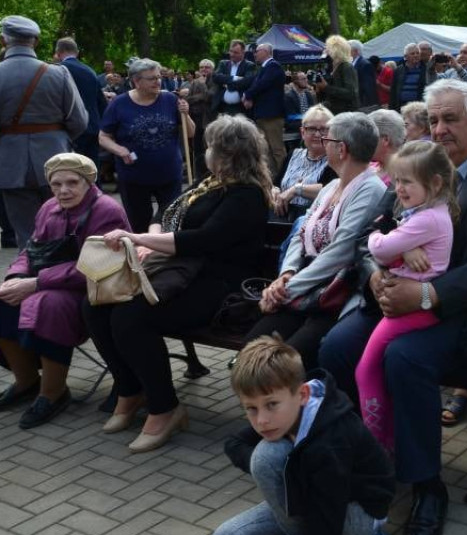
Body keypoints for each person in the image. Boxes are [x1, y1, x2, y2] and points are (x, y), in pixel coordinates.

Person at [317, 79, 467, 535]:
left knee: (405, 359)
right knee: (335, 348)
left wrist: (428, 294)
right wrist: (374, 274)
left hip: (466, 312)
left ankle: (426, 485)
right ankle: (369, 455)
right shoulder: (416, 166)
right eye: (433, 119)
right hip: (394, 300)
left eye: (450, 119)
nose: (438, 129)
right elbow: (366, 237)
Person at [86, 116, 271, 452]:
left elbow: (202, 240)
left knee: (132, 317)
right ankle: (130, 388)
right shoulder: (209, 182)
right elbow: (165, 212)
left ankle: (165, 407)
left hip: (219, 286)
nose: (207, 152)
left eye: (213, 146)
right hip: (178, 272)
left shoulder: (247, 195)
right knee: (96, 306)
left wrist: (137, 237)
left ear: (230, 153)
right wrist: (148, 241)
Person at [212, 336, 395, 535]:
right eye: (251, 408)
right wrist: (291, 471)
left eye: (271, 404)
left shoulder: (328, 445)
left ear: (302, 394)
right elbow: (234, 443)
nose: (261, 420)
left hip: (356, 514)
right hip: (315, 502)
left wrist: (287, 471)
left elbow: (326, 530)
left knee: (268, 456)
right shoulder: (284, 413)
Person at [0, 153, 130, 428]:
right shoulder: (49, 207)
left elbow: (98, 266)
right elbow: (31, 248)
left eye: (72, 182)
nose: (63, 190)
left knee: (49, 305)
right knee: (3, 299)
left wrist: (35, 282)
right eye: (56, 184)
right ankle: (27, 382)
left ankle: (54, 392)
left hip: (98, 289)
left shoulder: (107, 210)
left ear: (88, 182)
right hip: (52, 281)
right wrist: (15, 276)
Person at [249, 113, 387, 371]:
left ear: (341, 148)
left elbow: (341, 251)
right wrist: (286, 274)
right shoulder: (330, 186)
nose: (322, 142)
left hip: (335, 293)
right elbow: (302, 234)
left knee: (287, 363)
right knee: (253, 348)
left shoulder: (370, 189)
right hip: (305, 286)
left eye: (326, 138)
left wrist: (285, 290)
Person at [358, 142, 457, 450]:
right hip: (408, 305)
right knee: (371, 369)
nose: (399, 188)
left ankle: (376, 443)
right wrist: (405, 246)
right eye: (397, 180)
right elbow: (390, 257)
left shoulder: (428, 218)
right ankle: (386, 438)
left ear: (435, 183)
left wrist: (384, 239)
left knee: (365, 371)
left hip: (413, 308)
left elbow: (379, 248)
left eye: (407, 182)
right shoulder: (426, 213)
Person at [0, 16, 88, 249]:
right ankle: (61, 278)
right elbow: (79, 120)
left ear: (3, 40)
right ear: (36, 42)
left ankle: (28, 280)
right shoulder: (58, 74)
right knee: (63, 227)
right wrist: (59, 140)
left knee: (26, 234)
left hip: (10, 164)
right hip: (56, 160)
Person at [99, 58, 194, 234]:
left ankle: (168, 258)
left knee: (171, 221)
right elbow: (103, 137)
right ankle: (143, 257)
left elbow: (190, 133)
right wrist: (119, 150)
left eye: (158, 77)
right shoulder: (119, 104)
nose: (157, 81)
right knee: (139, 224)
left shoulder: (170, 99)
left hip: (169, 175)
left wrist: (186, 115)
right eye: (151, 78)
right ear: (136, 81)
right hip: (134, 177)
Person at [272, 105, 337, 221]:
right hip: (282, 218)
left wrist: (297, 190)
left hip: (312, 221)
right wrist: (274, 190)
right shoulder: (293, 154)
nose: (317, 134)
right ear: (302, 132)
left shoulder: (335, 160)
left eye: (323, 129)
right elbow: (276, 183)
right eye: (311, 129)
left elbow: (331, 189)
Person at [53, 37, 106, 165]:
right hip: (92, 127)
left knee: (72, 171)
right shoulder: (90, 71)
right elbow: (101, 102)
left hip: (70, 130)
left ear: (58, 53)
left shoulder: (57, 71)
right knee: (92, 169)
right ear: (76, 52)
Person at [244, 42, 287, 175]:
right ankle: (273, 178)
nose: (255, 54)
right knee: (266, 150)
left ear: (266, 52)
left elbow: (262, 84)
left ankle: (284, 176)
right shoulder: (264, 68)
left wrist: (247, 95)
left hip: (272, 115)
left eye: (257, 51)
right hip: (264, 114)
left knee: (277, 149)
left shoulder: (273, 66)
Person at [211, 39, 257, 116]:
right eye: (231, 51)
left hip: (240, 108)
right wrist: (235, 78)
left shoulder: (249, 65)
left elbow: (246, 82)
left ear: (243, 53)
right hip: (222, 107)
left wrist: (227, 83)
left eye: (235, 52)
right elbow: (216, 77)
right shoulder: (223, 63)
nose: (232, 54)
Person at [321, 36, 360, 115]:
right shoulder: (333, 67)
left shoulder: (346, 67)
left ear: (335, 49)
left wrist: (326, 87)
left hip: (346, 114)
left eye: (327, 48)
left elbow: (350, 93)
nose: (325, 51)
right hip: (336, 112)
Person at [367, 109, 406, 185]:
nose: (363, 142)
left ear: (385, 140)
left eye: (368, 137)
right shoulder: (367, 166)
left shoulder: (401, 177)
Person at [388, 43, 426, 110]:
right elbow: (393, 90)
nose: (416, 55)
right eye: (412, 53)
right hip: (401, 107)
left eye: (417, 53)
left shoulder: (425, 69)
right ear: (405, 56)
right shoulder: (399, 70)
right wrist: (391, 109)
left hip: (419, 106)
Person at [349, 40, 378, 109]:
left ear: (355, 51)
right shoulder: (353, 63)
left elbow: (368, 88)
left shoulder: (365, 64)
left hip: (362, 104)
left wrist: (364, 107)